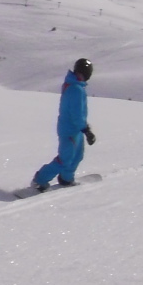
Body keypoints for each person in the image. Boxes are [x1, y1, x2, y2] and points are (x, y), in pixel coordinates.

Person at [30, 58, 96, 192]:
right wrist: (86, 130)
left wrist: (83, 129)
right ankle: (39, 180)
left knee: (77, 156)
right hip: (69, 129)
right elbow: (77, 114)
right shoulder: (76, 89)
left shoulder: (74, 85)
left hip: (75, 129)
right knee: (65, 158)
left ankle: (66, 178)